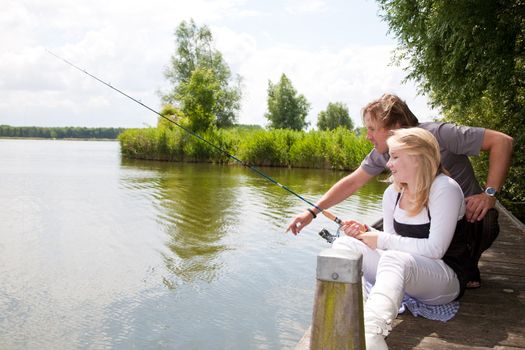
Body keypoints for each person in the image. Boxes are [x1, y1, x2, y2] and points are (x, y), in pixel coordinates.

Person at [287, 93, 513, 288]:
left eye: (373, 129)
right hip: (419, 222)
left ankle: (467, 266)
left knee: (485, 222)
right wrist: (311, 213)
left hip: (466, 221)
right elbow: (352, 182)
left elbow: (502, 141)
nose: (367, 135)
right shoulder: (384, 152)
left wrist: (489, 194)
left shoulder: (441, 133)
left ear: (395, 127)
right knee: (367, 236)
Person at [333, 127, 469, 349]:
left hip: (445, 279)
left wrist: (381, 239)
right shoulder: (392, 193)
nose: (388, 164)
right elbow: (390, 243)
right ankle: (351, 315)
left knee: (395, 258)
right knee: (344, 244)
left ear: (418, 158)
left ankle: (372, 335)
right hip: (404, 270)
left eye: (395, 156)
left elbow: (436, 250)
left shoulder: (445, 188)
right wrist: (368, 233)